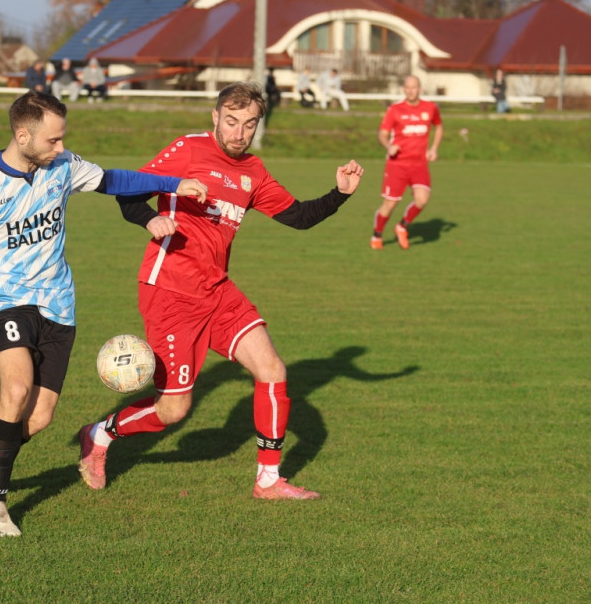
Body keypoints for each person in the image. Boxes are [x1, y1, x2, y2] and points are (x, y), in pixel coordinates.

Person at [0, 91, 208, 536]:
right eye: (52, 140)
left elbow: (114, 180)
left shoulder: (62, 166)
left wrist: (173, 184)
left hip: (59, 305)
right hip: (8, 300)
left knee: (38, 418)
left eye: (61, 139)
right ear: (23, 136)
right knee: (16, 391)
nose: (60, 147)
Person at [75, 81, 365, 501]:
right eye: (231, 121)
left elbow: (299, 217)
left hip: (217, 290)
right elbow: (129, 191)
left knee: (272, 370)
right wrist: (150, 220)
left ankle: (268, 480)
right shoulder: (189, 150)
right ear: (215, 117)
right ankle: (100, 434)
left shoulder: (254, 171)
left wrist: (340, 194)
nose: (238, 133)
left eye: (249, 124)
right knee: (173, 410)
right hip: (170, 291)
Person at [371, 74, 443, 250]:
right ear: (404, 89)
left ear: (420, 89)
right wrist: (389, 146)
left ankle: (402, 226)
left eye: (414, 87)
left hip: (419, 164)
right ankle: (377, 234)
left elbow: (439, 126)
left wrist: (434, 148)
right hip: (397, 165)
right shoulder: (395, 110)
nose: (411, 91)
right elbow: (382, 134)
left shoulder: (430, 108)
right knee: (390, 204)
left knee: (422, 200)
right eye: (408, 88)